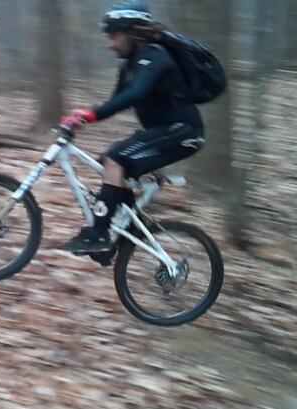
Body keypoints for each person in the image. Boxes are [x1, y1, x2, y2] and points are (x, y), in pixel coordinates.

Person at [60, 0, 206, 254]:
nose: (110, 44)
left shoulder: (156, 56)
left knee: (117, 158)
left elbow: (136, 94)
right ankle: (124, 227)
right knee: (110, 160)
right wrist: (81, 117)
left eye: (114, 36)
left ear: (132, 32)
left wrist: (92, 114)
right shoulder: (129, 65)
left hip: (183, 131)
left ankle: (99, 234)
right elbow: (117, 102)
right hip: (163, 131)